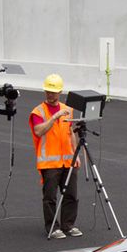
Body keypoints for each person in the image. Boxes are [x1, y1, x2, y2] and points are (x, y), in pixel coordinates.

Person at [29, 73, 81, 239]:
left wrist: (75, 154)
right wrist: (54, 118)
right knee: (50, 197)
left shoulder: (68, 110)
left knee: (71, 195)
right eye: (48, 92)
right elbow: (39, 131)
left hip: (67, 160)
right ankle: (52, 227)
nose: (50, 95)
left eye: (53, 92)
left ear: (60, 92)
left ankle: (68, 225)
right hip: (49, 163)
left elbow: (71, 133)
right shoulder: (38, 112)